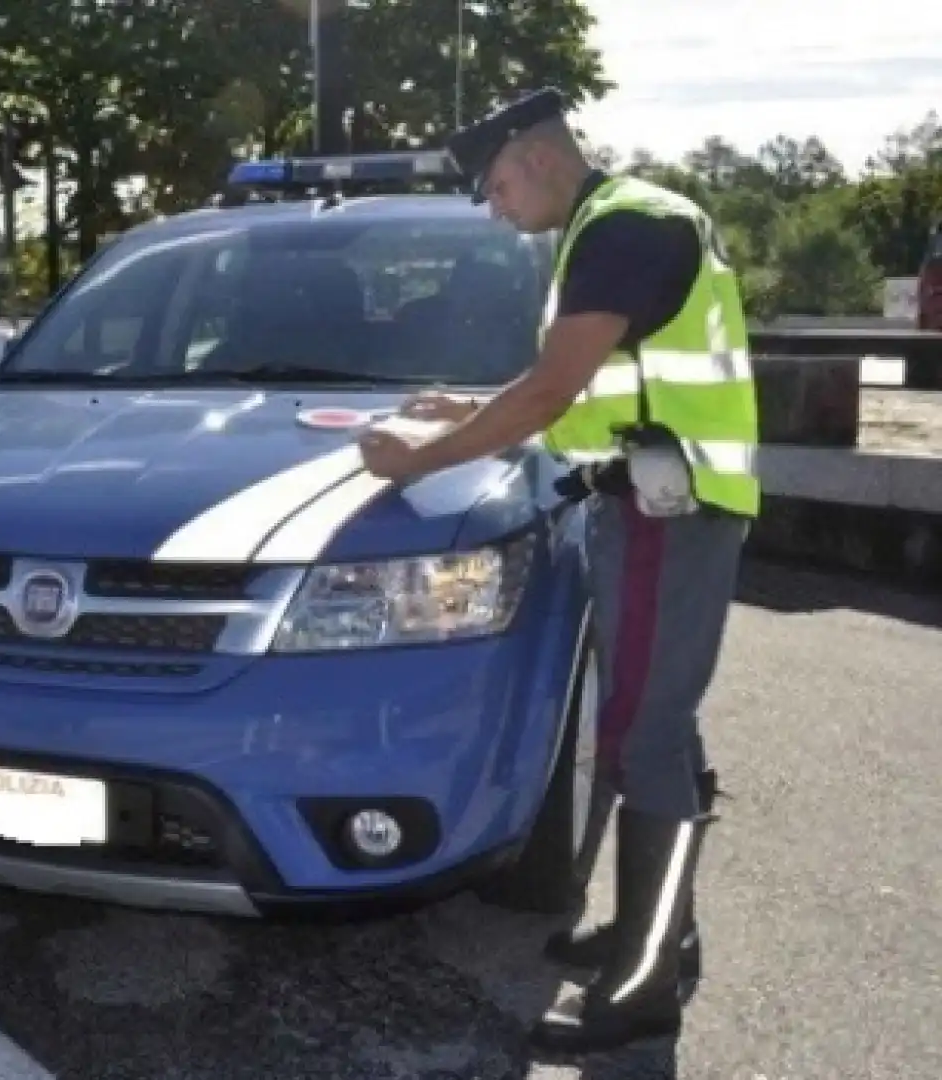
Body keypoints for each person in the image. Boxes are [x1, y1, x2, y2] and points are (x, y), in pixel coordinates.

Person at [356, 88, 759, 1055]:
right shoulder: (619, 222)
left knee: (641, 734)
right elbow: (583, 389)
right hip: (659, 506)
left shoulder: (620, 228)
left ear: (535, 155)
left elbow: (549, 390)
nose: (495, 207)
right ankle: (657, 930)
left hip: (668, 510)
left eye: (494, 185)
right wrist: (462, 405)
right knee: (652, 723)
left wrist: (418, 456)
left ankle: (645, 982)